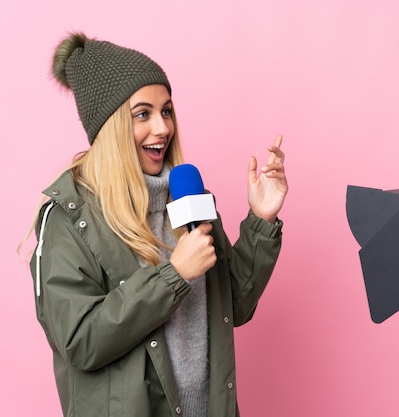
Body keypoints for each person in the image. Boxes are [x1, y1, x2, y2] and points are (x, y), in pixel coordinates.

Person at [27, 32, 287, 417]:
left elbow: (232, 305)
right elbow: (80, 341)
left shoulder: (187, 198)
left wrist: (262, 220)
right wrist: (173, 275)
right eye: (142, 114)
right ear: (110, 126)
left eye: (166, 111)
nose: (163, 128)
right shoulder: (70, 220)